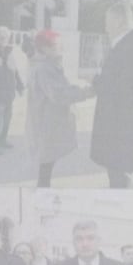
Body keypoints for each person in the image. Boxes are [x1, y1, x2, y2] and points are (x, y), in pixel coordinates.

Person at [90, 3, 133, 188]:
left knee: (120, 180)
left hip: (122, 132)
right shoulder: (126, 44)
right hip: (116, 130)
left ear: (119, 20)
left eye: (107, 21)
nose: (105, 27)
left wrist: (98, 82)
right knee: (116, 177)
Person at [25, 29, 94, 186]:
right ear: (44, 48)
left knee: (47, 165)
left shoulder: (49, 65)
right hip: (46, 125)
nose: (60, 48)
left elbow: (62, 88)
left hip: (48, 123)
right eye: (56, 45)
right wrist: (87, 92)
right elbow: (59, 94)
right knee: (45, 167)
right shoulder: (44, 68)